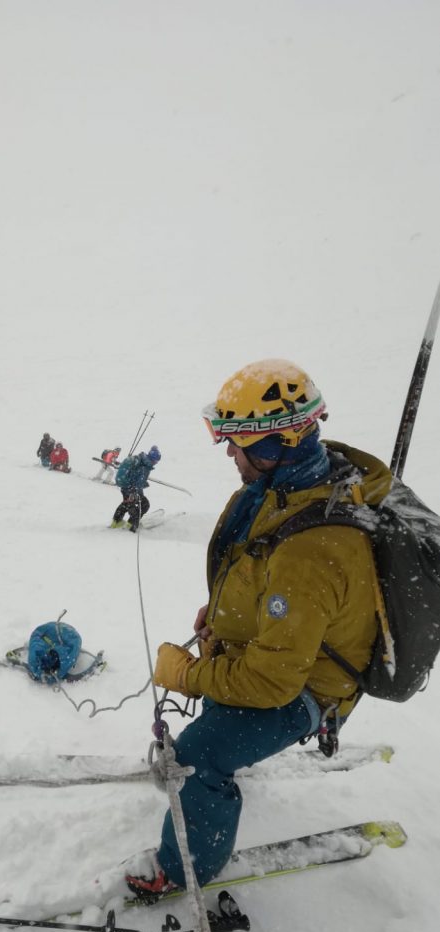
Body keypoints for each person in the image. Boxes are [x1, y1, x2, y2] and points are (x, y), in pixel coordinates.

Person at [125, 358, 392, 901]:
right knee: (223, 708)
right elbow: (256, 567)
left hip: (307, 686)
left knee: (197, 756)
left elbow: (272, 683)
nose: (228, 452)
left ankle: (185, 869)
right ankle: (223, 755)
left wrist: (191, 674)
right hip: (282, 652)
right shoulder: (287, 487)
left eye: (237, 440)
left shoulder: (312, 552)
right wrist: (223, 617)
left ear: (276, 446)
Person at [111, 447, 161, 532]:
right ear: (152, 459)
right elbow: (126, 476)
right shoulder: (142, 463)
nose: (156, 463)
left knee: (132, 504)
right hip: (129, 488)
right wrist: (131, 488)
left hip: (134, 488)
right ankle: (131, 527)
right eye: (156, 461)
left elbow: (138, 477)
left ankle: (117, 522)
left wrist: (142, 484)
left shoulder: (145, 463)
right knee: (138, 506)